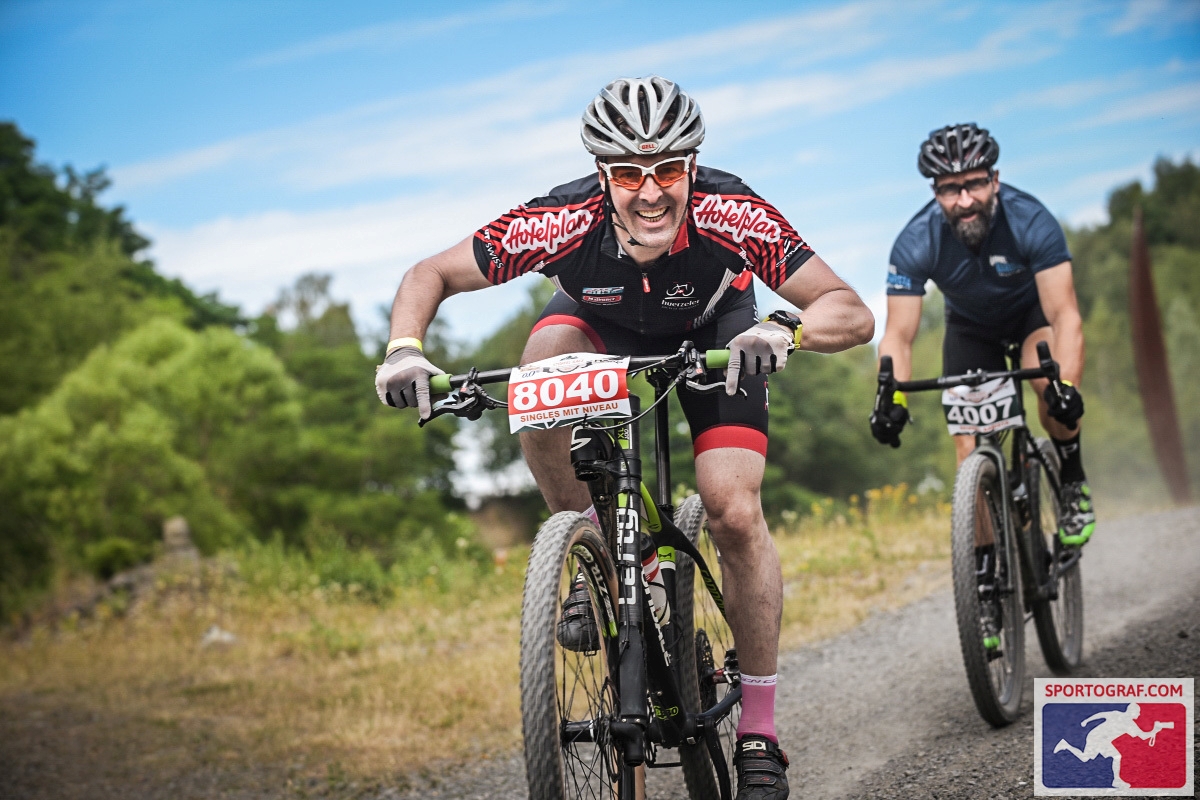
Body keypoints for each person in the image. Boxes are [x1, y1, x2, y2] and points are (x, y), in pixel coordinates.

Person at [376, 75, 874, 799]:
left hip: (717, 328)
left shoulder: (733, 211)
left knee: (731, 508)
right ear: (602, 175)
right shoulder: (558, 219)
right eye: (630, 174)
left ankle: (761, 731)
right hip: (600, 323)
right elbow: (432, 273)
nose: (651, 193)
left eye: (669, 170)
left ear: (693, 168)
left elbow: (850, 311)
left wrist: (787, 328)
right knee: (534, 372)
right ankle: (592, 546)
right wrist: (404, 348)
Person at [872, 122, 1094, 546]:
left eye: (974, 183)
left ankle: (1072, 480)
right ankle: (987, 568)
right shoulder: (916, 242)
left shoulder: (1032, 222)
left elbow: (1066, 316)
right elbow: (898, 336)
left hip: (1032, 320)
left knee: (1052, 399)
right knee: (968, 450)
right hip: (971, 329)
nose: (965, 199)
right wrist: (891, 397)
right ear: (935, 192)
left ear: (995, 179)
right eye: (950, 189)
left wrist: (1066, 385)